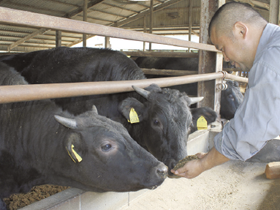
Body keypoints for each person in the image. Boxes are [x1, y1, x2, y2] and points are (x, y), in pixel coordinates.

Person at [171, 2, 280, 179]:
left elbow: (251, 128)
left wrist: (203, 164)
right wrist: (212, 155)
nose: (226, 58)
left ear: (241, 31)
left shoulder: (270, 61)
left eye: (222, 49)